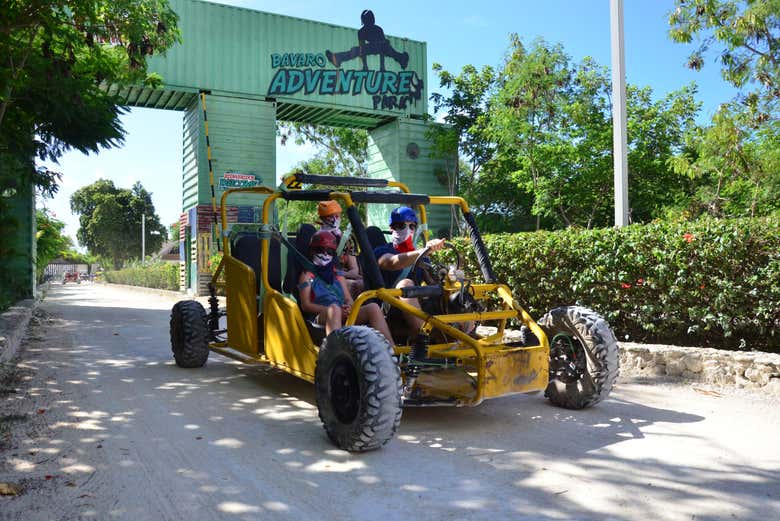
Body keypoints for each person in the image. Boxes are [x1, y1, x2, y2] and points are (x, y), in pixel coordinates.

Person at [298, 230, 393, 344]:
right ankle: (335, 352)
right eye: (319, 250)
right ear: (312, 251)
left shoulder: (337, 274)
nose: (324, 254)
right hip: (320, 315)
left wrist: (349, 308)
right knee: (334, 309)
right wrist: (333, 310)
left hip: (341, 311)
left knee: (373, 307)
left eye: (329, 251)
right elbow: (306, 305)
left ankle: (391, 351)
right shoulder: (306, 275)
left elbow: (348, 298)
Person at [373, 207, 445, 332]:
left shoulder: (422, 256)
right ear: (392, 228)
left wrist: (446, 278)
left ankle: (465, 334)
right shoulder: (382, 250)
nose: (407, 230)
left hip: (417, 306)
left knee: (456, 286)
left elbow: (433, 284)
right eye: (401, 225)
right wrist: (424, 251)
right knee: (405, 284)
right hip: (389, 308)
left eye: (412, 226)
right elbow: (392, 263)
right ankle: (424, 336)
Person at [325, 10, 409, 71]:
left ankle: (402, 58)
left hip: (381, 46)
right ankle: (337, 58)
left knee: (385, 47)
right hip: (375, 47)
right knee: (358, 50)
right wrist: (365, 66)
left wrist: (381, 67)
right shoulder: (367, 30)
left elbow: (381, 50)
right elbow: (362, 49)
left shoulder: (375, 30)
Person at [316, 200, 363, 296]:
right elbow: (320, 269)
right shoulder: (316, 239)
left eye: (337, 216)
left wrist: (341, 274)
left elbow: (354, 270)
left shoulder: (347, 240)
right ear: (322, 218)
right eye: (330, 216)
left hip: (343, 277)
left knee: (364, 284)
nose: (334, 219)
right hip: (324, 279)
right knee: (355, 285)